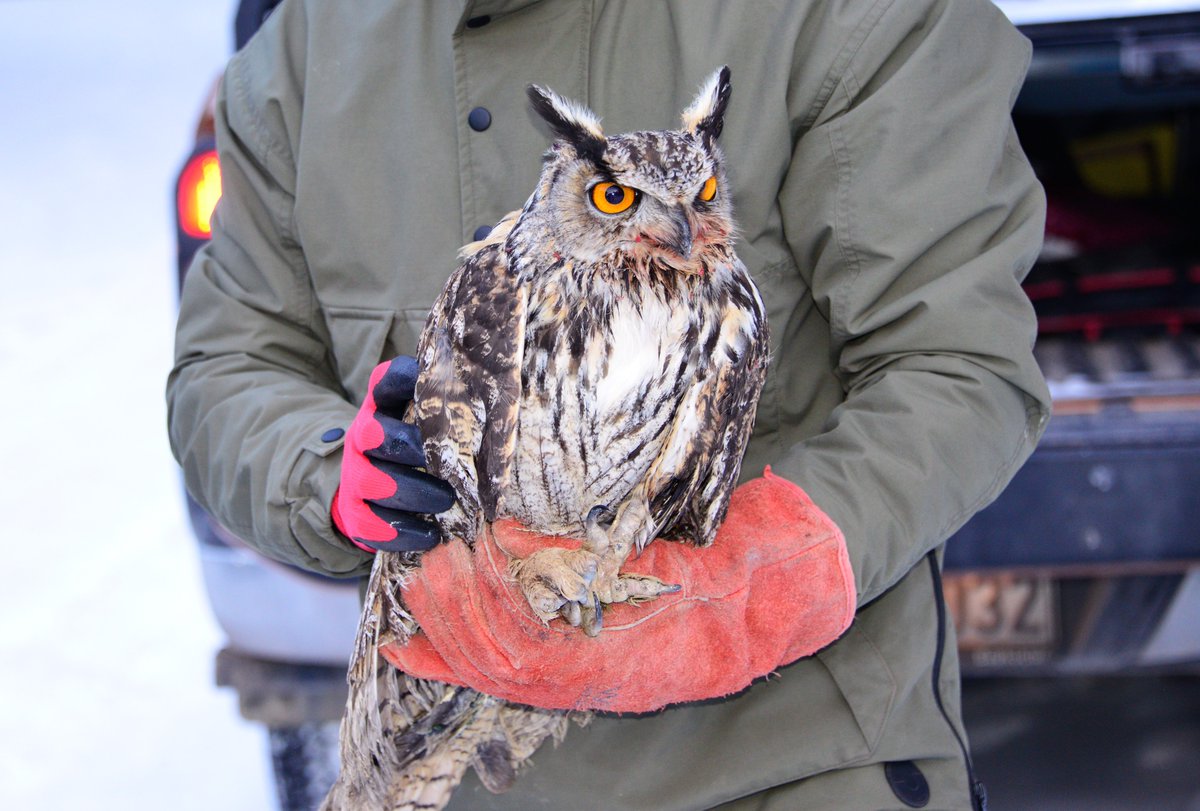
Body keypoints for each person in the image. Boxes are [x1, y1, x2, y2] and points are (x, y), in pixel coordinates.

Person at [167, 1, 1051, 808]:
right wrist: (330, 471)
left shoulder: (842, 16)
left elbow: (956, 362)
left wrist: (764, 578)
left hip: (790, 761)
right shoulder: (310, 47)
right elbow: (230, 363)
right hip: (460, 777)